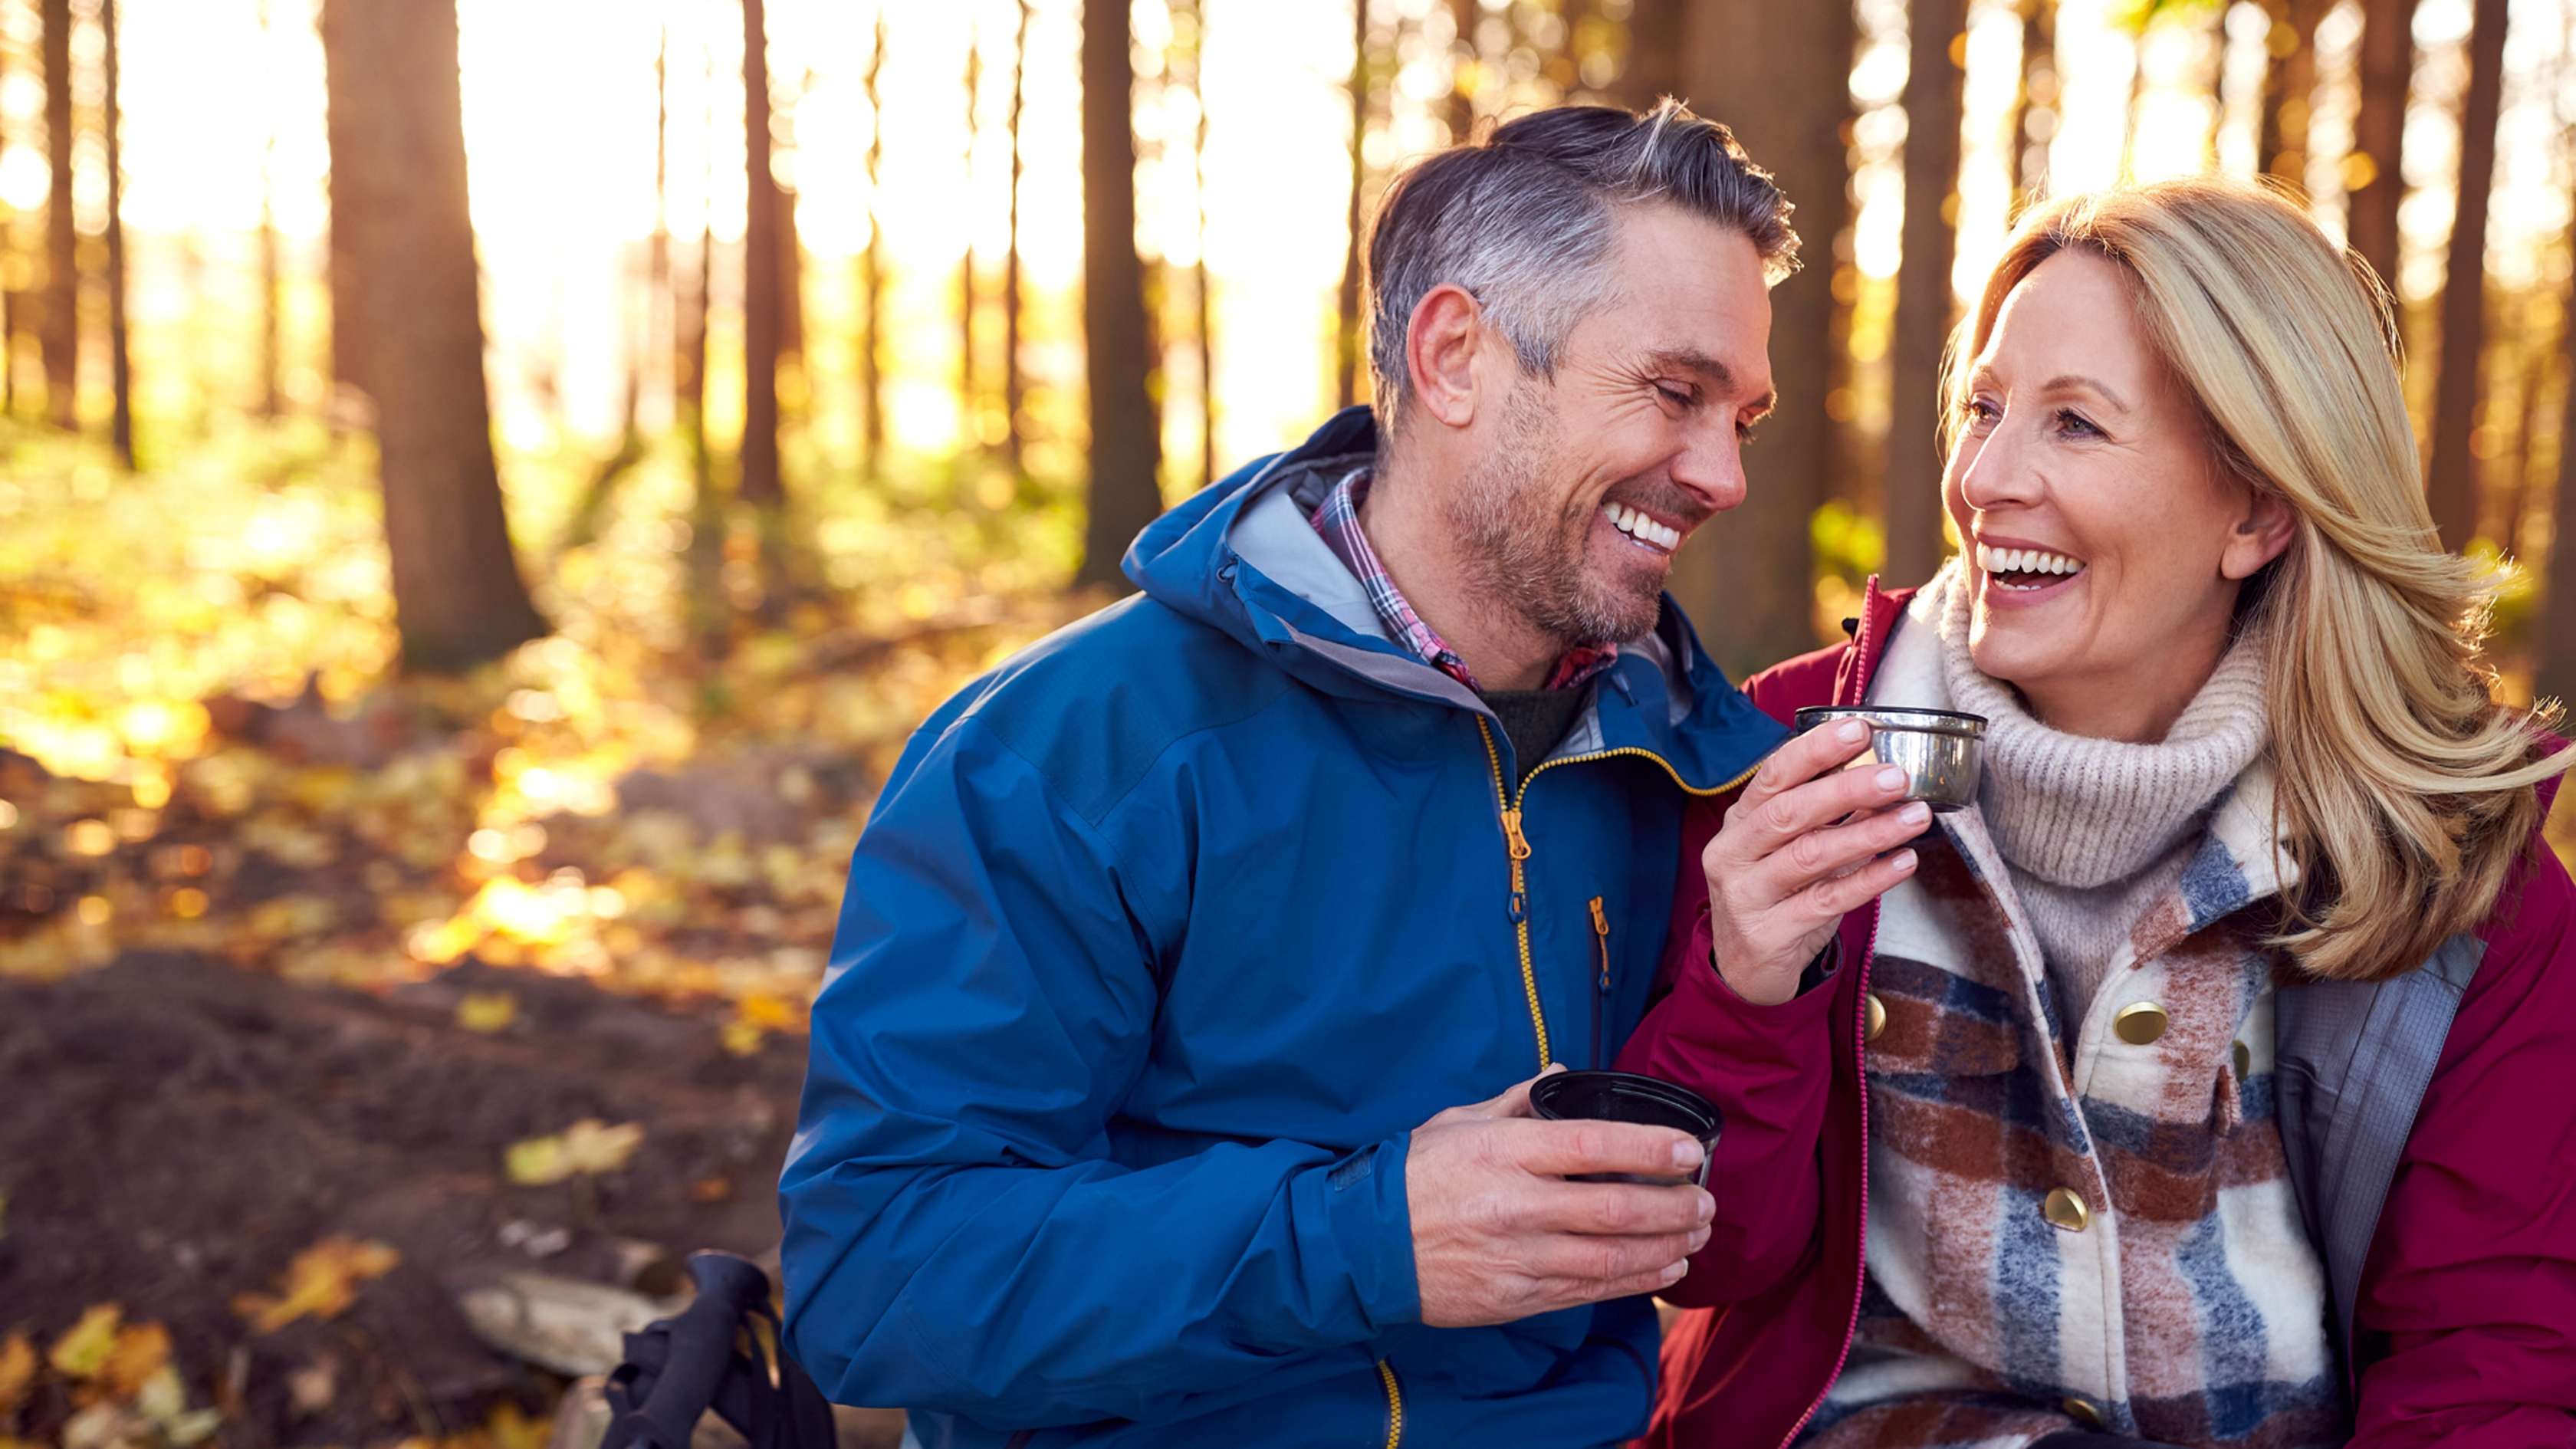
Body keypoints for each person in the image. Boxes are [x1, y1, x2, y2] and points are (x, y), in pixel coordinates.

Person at [779, 101, 1809, 1447]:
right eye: (1675, 393)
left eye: (1743, 416)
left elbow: (1722, 1242)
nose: (1725, 474)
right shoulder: (1078, 749)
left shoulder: (1684, 760)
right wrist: (1365, 1235)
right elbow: (878, 1273)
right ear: (1455, 356)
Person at [1621, 176, 2576, 1449]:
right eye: (1987, 408)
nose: (1987, 479)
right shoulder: (1790, 761)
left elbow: (2493, 1364)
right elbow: (1709, 1256)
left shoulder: (2455, 870)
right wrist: (1745, 989)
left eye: (2076, 426)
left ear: (2258, 508)